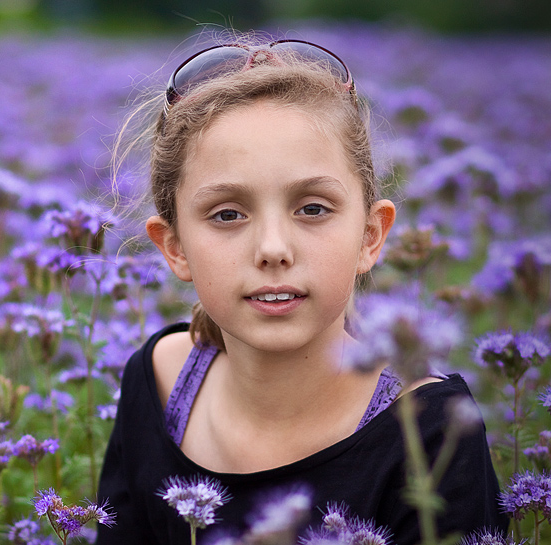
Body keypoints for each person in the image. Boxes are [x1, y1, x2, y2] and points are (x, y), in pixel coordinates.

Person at [96, 37, 507, 544]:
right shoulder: (156, 381)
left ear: (370, 236)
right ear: (174, 247)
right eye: (227, 214)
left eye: (312, 208)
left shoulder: (430, 430)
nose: (273, 249)